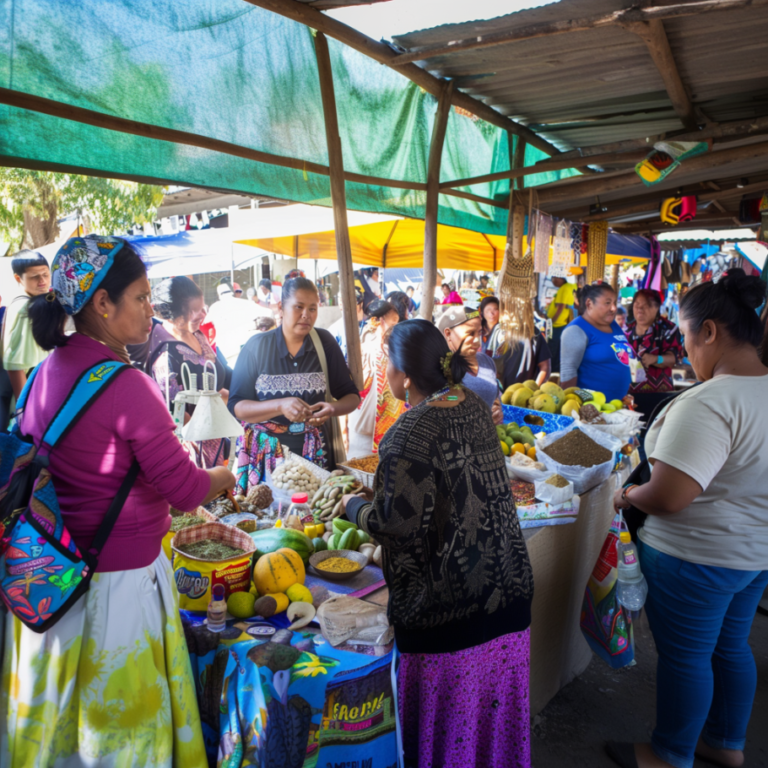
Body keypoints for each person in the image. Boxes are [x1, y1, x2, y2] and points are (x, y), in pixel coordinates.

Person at [1, 235, 235, 768]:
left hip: (50, 584)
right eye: (141, 297)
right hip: (115, 595)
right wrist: (224, 473)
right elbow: (183, 490)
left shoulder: (43, 372)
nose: (151, 310)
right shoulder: (127, 385)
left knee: (65, 743)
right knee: (119, 742)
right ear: (101, 305)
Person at [342, 319, 534, 768]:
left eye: (387, 363)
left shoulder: (407, 435)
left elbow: (396, 528)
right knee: (488, 742)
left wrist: (354, 505)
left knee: (447, 744)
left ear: (404, 375)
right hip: (508, 600)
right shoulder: (471, 403)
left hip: (451, 619)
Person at [609, 269, 768, 768]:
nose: (686, 348)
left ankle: (669, 754)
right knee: (731, 647)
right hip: (752, 557)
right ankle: (725, 742)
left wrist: (630, 493)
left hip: (696, 556)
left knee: (687, 658)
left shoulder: (710, 402)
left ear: (711, 332)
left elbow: (672, 495)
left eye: (685, 336)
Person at [227, 277, 360, 495]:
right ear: (281, 307)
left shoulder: (324, 343)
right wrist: (280, 405)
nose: (306, 315)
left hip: (315, 453)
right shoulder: (256, 347)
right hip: (264, 455)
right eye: (298, 307)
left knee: (314, 518)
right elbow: (237, 406)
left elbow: (351, 396)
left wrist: (332, 409)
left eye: (312, 308)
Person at [147, 277, 230, 468]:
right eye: (193, 310)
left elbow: (216, 386)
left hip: (215, 436)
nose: (201, 314)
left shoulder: (198, 335)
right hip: (191, 450)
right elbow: (176, 412)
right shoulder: (164, 353)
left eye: (202, 307)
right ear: (172, 313)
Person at [560, 283, 634, 402]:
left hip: (618, 406)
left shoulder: (614, 325)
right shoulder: (576, 330)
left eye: (614, 303)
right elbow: (568, 373)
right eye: (607, 303)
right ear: (589, 304)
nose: (614, 308)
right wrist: (572, 408)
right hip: (591, 410)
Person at [349, 299, 405, 456]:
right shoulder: (372, 342)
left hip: (375, 413)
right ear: (382, 320)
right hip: (368, 414)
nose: (396, 327)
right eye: (394, 322)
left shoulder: (373, 340)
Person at [437, 306, 502, 423]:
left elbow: (495, 396)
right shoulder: (440, 368)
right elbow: (439, 405)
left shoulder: (487, 362)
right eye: (470, 333)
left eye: (479, 333)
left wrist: (497, 409)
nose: (477, 341)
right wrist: (478, 419)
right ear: (448, 334)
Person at [624, 289, 684, 416]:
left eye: (645, 306)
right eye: (637, 305)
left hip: (659, 395)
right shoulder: (626, 331)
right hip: (629, 395)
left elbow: (674, 357)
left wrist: (656, 359)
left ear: (656, 307)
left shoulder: (668, 329)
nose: (640, 310)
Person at [2, 250, 52, 398]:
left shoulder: (29, 302)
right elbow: (15, 366)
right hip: (32, 394)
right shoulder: (26, 309)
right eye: (34, 277)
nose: (42, 281)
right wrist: (24, 409)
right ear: (18, 278)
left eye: (45, 274)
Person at [203, 281, 271, 365]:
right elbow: (268, 313)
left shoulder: (215, 307)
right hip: (245, 349)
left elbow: (204, 323)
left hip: (226, 352)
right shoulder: (245, 303)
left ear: (219, 295)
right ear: (232, 292)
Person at [546, 276, 577, 373]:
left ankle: (553, 372)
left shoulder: (565, 288)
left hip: (557, 325)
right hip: (560, 324)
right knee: (556, 349)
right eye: (552, 278)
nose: (553, 281)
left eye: (555, 278)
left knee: (553, 350)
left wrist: (552, 322)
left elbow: (561, 308)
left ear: (562, 278)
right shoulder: (569, 287)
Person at [328, 286, 365, 361]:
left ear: (360, 305)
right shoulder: (333, 331)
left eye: (350, 304)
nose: (342, 306)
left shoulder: (371, 325)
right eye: (341, 302)